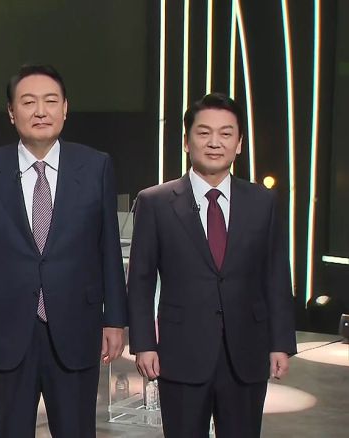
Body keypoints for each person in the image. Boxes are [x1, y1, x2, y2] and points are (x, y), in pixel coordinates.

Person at [0, 64, 127, 438]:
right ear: (11, 112)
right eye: (28, 102)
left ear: (65, 108)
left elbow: (108, 249)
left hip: (76, 325)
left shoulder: (95, 166)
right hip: (6, 329)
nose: (40, 111)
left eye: (50, 101)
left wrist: (115, 319)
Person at [127, 92, 296, 437]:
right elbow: (140, 281)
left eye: (226, 133)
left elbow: (276, 277)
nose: (215, 143)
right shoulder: (155, 202)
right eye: (204, 133)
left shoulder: (262, 202)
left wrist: (281, 342)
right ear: (187, 142)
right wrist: (144, 343)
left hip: (246, 352)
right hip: (180, 352)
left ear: (239, 143)